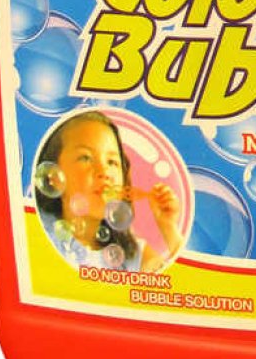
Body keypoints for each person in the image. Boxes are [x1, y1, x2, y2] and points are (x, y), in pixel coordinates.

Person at [34, 110, 182, 272]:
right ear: (52, 177)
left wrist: (168, 227)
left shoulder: (135, 256)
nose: (104, 172)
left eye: (112, 162)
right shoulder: (37, 233)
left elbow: (183, 279)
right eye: (85, 158)